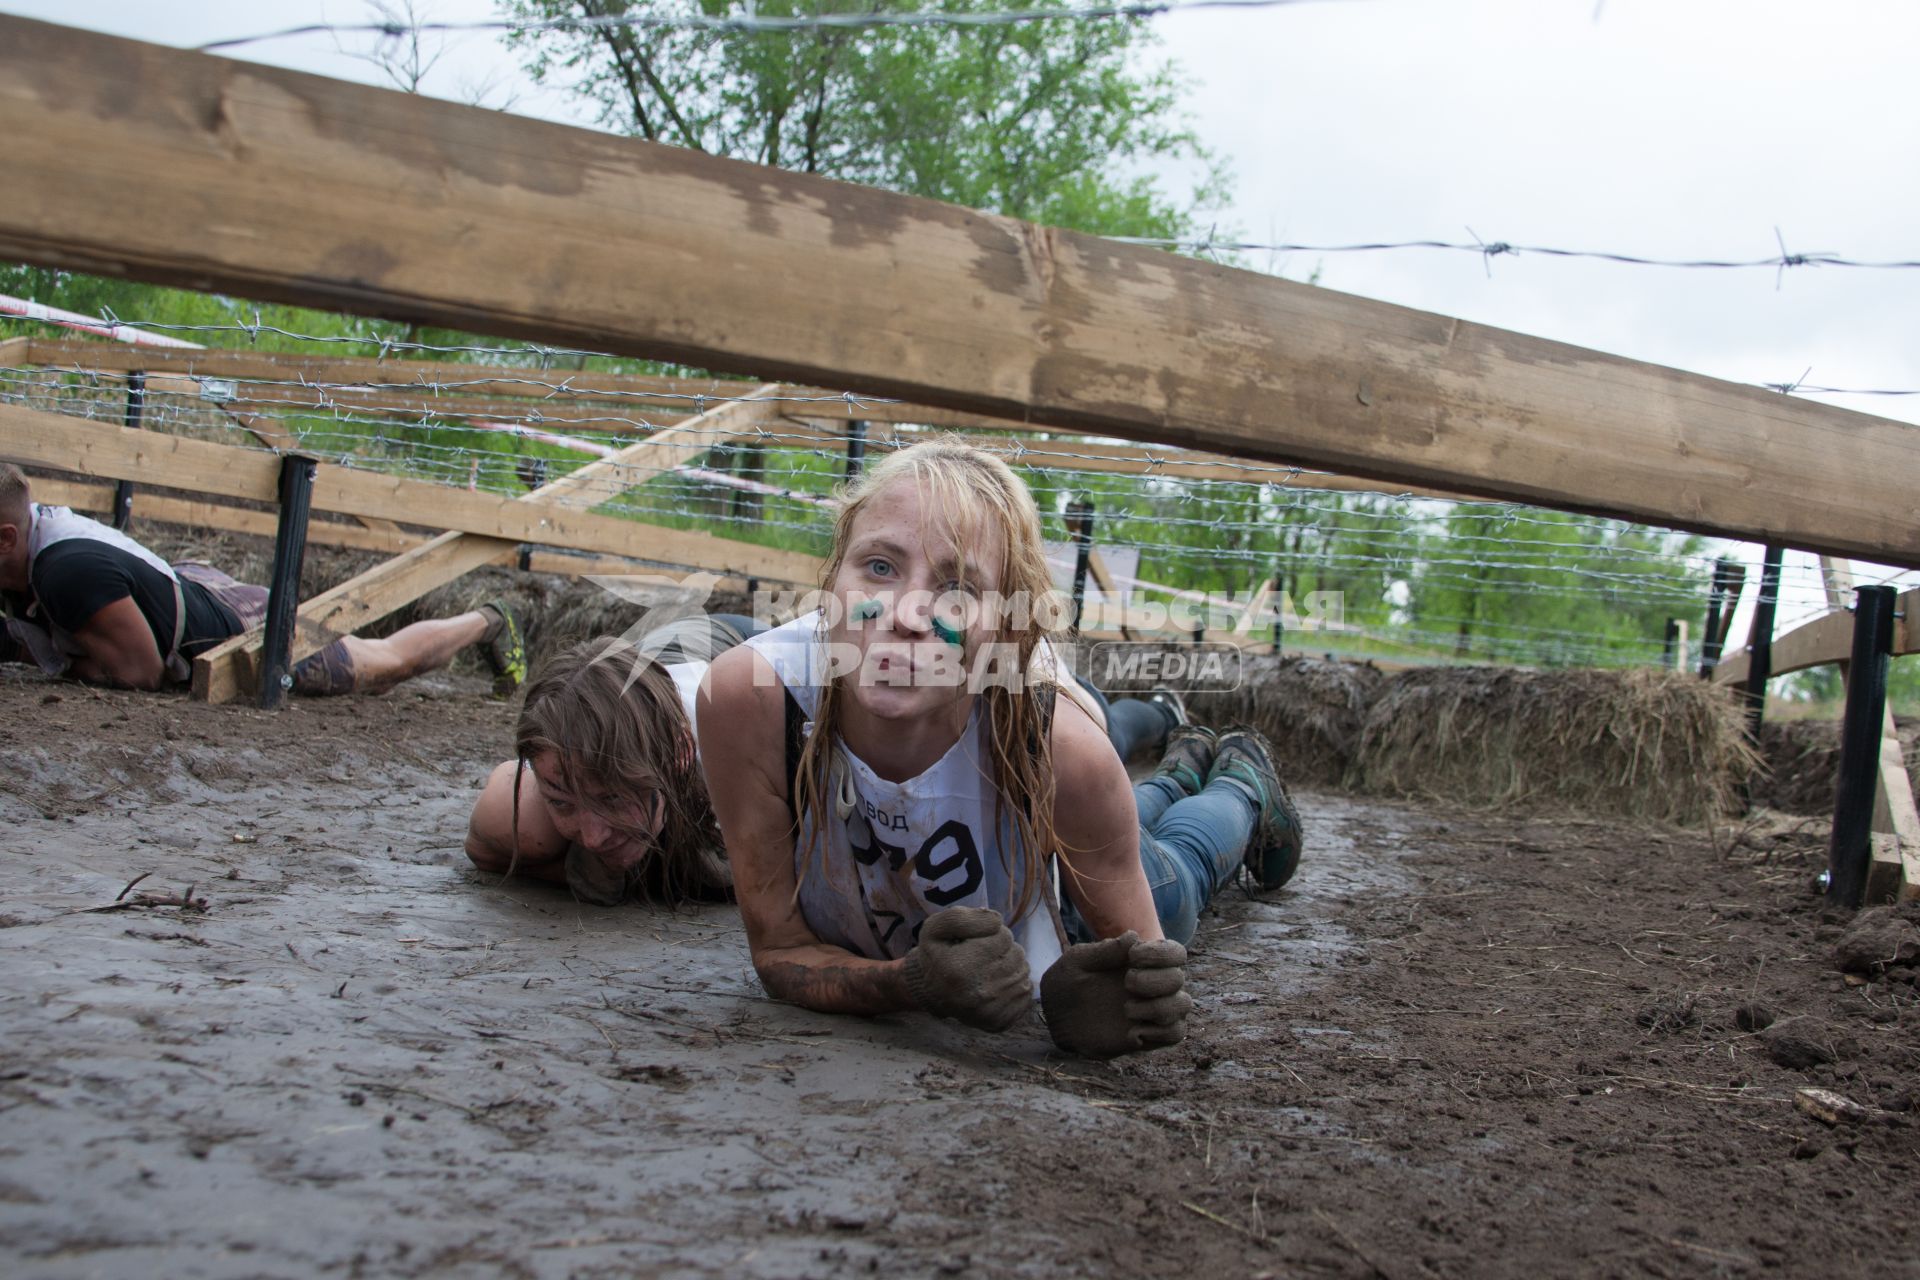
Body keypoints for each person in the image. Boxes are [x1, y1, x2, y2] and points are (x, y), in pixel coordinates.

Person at [698, 438, 1303, 1059]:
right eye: (879, 565)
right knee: (1138, 811)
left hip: (1059, 892)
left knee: (1177, 879)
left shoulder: (1060, 746)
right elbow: (778, 951)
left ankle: (1241, 783)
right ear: (832, 578)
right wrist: (910, 984)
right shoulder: (755, 700)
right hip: (1039, 834)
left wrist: (1107, 1006)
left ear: (1007, 630)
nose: (907, 613)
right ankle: (1181, 765)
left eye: (958, 588)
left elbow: (1138, 977)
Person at [0, 462, 525, 697]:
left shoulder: (63, 570)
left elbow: (139, 674)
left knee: (384, 663)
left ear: (5, 539)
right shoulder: (34, 541)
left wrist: (64, 663)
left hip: (238, 625)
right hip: (195, 592)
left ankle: (487, 621)